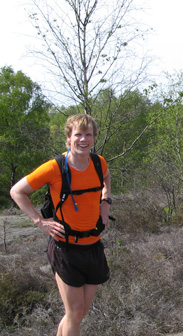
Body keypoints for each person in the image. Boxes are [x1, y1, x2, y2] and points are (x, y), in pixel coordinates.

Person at [10, 114, 112, 336]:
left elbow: (106, 177)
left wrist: (105, 201)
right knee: (75, 313)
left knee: (79, 312)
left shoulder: (98, 162)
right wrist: (39, 221)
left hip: (93, 245)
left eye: (88, 135)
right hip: (65, 248)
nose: (83, 140)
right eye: (78, 135)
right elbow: (17, 191)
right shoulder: (55, 167)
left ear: (94, 137)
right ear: (68, 137)